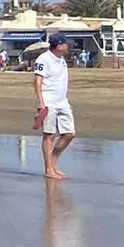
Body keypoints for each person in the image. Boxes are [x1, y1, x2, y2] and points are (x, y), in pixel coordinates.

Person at [34, 35, 75, 179]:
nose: (68, 46)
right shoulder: (44, 59)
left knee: (69, 134)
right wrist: (41, 102)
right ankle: (48, 169)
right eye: (65, 44)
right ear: (58, 45)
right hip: (49, 101)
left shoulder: (62, 59)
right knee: (49, 135)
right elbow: (37, 80)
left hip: (62, 102)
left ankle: (53, 162)